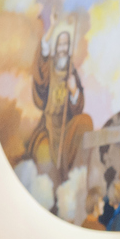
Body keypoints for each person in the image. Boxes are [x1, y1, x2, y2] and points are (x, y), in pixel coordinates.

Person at [24, 24, 93, 180]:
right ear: (56, 46)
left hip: (66, 126)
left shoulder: (71, 71)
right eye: (60, 44)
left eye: (66, 44)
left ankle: (74, 177)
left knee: (85, 121)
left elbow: (78, 106)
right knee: (44, 155)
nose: (63, 48)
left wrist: (74, 90)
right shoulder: (49, 66)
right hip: (48, 127)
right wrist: (52, 27)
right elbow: (42, 57)